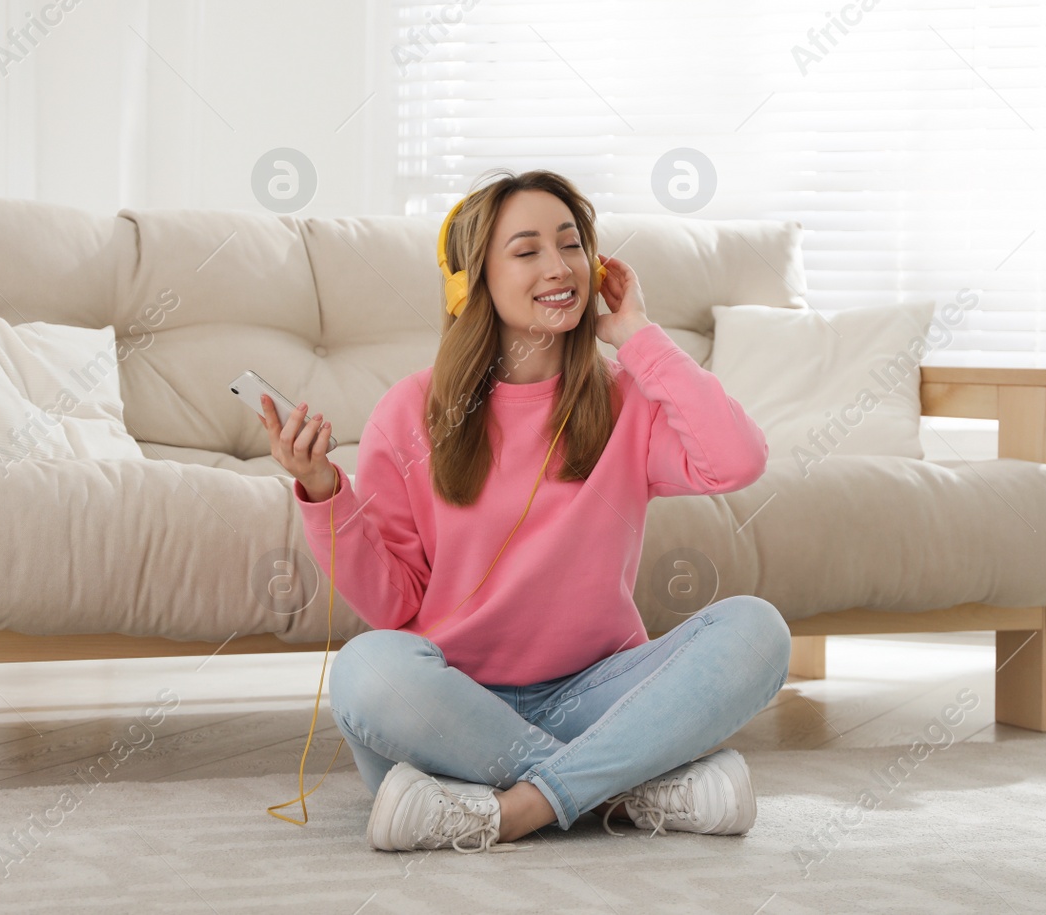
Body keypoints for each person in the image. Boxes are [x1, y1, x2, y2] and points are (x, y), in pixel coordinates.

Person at [258, 168, 790, 855]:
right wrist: (325, 490)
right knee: (366, 669)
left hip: (599, 694)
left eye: (572, 244)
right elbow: (394, 604)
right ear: (470, 280)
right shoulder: (410, 413)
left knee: (758, 630)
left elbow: (737, 458)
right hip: (457, 705)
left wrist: (638, 334)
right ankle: (626, 789)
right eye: (527, 249)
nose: (559, 266)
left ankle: (511, 810)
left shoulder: (625, 398)